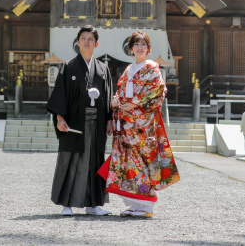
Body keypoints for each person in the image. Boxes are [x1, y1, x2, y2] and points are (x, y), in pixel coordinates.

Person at [105, 31, 180, 218]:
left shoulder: (153, 68)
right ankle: (133, 203)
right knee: (129, 161)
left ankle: (146, 205)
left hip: (143, 124)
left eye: (143, 44)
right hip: (126, 122)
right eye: (136, 44)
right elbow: (121, 89)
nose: (139, 47)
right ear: (131, 48)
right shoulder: (129, 69)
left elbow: (159, 91)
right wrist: (116, 100)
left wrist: (136, 102)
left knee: (143, 160)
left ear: (148, 48)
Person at [46, 24, 114, 216]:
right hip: (74, 123)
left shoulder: (102, 69)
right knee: (70, 160)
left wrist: (109, 120)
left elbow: (108, 96)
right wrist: (60, 117)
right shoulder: (69, 66)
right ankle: (66, 204)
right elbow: (60, 94)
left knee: (94, 161)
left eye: (90, 39)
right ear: (78, 42)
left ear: (96, 43)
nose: (86, 42)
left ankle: (93, 205)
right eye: (83, 38)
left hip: (97, 123)